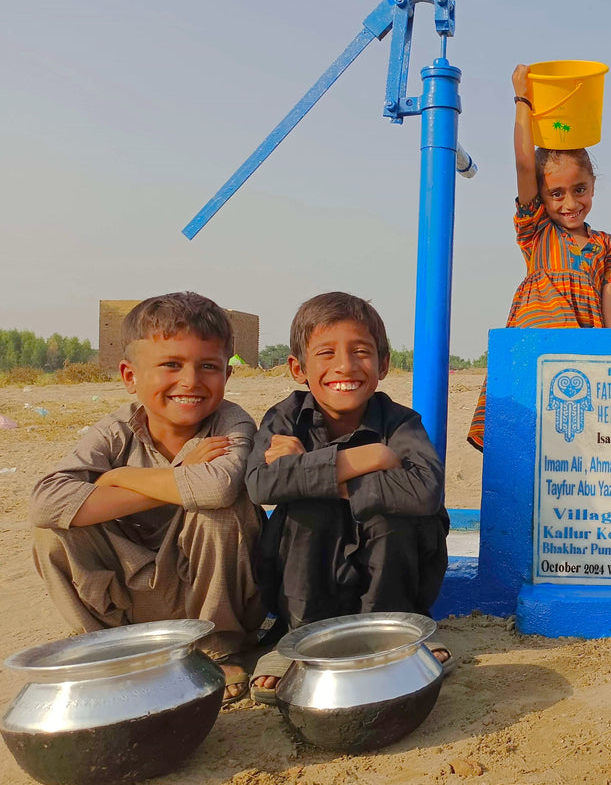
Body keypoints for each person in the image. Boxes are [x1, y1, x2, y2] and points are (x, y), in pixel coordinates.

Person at [30, 292, 265, 704]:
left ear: (227, 374)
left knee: (222, 513)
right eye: (171, 365)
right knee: (52, 532)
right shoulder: (115, 431)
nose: (191, 380)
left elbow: (217, 487)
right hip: (129, 591)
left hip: (204, 594)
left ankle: (217, 650)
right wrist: (175, 475)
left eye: (207, 366)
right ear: (129, 376)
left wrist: (121, 479)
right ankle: (111, 650)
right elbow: (47, 502)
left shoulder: (230, 422)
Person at [245, 292, 450, 702]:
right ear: (297, 368)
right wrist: (373, 457)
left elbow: (426, 490)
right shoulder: (284, 418)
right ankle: (298, 638)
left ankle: (398, 631)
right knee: (307, 508)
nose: (345, 366)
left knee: (394, 512)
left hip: (389, 575)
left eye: (361, 352)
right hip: (311, 576)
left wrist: (311, 469)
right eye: (326, 353)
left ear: (383, 365)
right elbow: (261, 484)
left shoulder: (401, 423)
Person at [467, 63, 611, 451]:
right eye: (556, 193)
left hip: (584, 349)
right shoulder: (536, 229)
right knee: (522, 433)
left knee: (575, 442)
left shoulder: (607, 244)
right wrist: (522, 98)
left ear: (592, 186)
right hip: (531, 348)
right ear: (540, 194)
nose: (570, 203)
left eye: (580, 189)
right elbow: (524, 161)